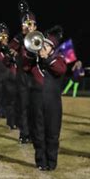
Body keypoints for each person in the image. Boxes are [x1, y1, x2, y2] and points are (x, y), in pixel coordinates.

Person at [26, 25, 67, 171]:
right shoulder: (34, 61)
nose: (43, 47)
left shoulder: (58, 59)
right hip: (36, 101)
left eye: (47, 45)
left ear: (53, 48)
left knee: (52, 132)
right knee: (38, 132)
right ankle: (41, 162)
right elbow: (23, 66)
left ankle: (52, 162)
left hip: (53, 103)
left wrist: (47, 59)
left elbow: (60, 70)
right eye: (42, 44)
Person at [9, 4, 38, 143]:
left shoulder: (39, 38)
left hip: (36, 77)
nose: (26, 27)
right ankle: (24, 133)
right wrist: (13, 52)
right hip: (22, 76)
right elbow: (9, 50)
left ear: (34, 26)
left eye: (29, 24)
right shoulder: (19, 38)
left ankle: (33, 133)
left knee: (35, 107)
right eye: (24, 24)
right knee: (24, 105)